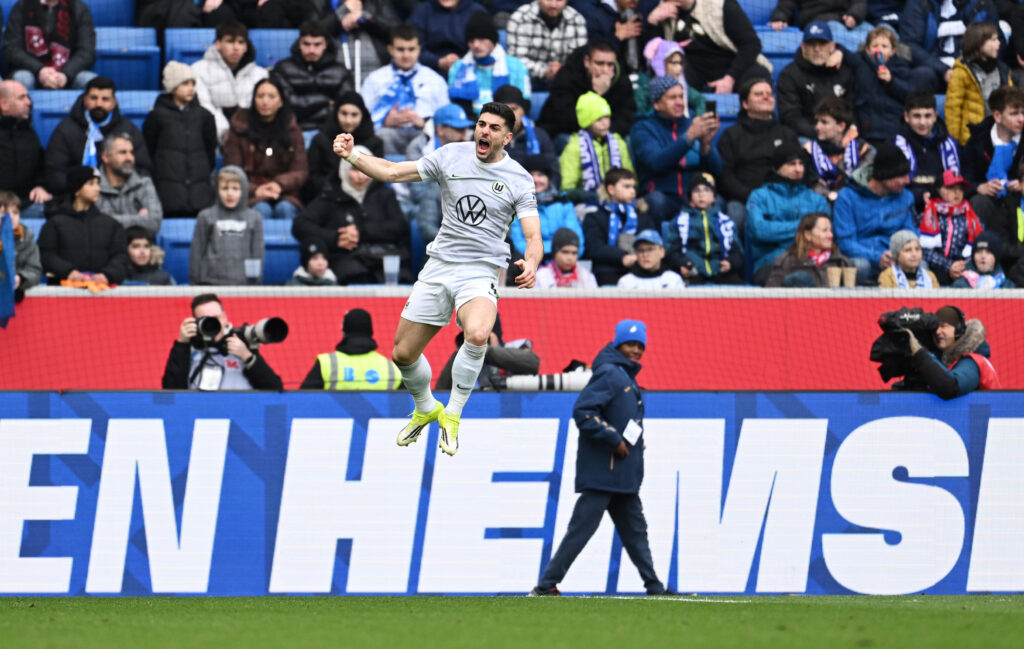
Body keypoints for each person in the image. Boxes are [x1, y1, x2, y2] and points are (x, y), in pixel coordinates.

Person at [331, 101, 543, 456]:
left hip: (481, 270)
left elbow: (533, 237)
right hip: (439, 267)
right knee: (402, 354)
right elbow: (392, 172)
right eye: (481, 124)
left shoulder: (519, 179)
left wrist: (533, 263)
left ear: (507, 138)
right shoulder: (450, 155)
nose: (484, 132)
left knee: (476, 334)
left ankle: (454, 414)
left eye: (493, 128)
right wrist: (354, 156)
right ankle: (427, 407)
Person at [531, 319, 676, 597]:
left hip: (621, 474)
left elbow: (615, 418)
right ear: (618, 344)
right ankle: (546, 584)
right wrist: (614, 439)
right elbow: (584, 412)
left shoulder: (623, 376)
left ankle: (654, 586)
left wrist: (635, 442)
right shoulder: (611, 373)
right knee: (581, 531)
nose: (635, 350)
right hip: (603, 474)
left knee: (636, 533)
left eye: (639, 345)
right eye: (630, 344)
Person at [293, 145, 411, 285]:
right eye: (355, 170)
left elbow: (399, 227)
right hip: (347, 259)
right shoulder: (330, 195)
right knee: (355, 277)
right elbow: (300, 225)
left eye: (365, 170)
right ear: (344, 170)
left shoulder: (384, 194)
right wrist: (336, 237)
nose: (361, 176)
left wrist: (361, 232)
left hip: (385, 256)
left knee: (403, 279)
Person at [629, 75, 720, 223]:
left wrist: (706, 145)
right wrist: (689, 137)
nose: (679, 102)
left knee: (719, 202)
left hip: (694, 197)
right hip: (663, 195)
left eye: (681, 97)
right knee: (655, 201)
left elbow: (717, 171)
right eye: (672, 98)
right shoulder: (643, 128)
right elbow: (656, 163)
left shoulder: (692, 123)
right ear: (657, 104)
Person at [716, 78, 802, 234]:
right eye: (758, 94)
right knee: (735, 215)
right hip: (743, 198)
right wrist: (754, 196)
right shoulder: (731, 135)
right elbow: (725, 177)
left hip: (782, 197)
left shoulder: (786, 134)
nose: (766, 97)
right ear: (745, 104)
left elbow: (798, 169)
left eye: (769, 94)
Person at [44, 76, 153, 196]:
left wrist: (116, 189)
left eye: (105, 99)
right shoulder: (66, 129)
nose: (99, 104)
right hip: (76, 197)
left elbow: (143, 170)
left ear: (114, 103)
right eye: (93, 98)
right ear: (85, 100)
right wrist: (81, 189)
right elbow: (53, 173)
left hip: (118, 196)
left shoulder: (128, 129)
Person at [223, 78, 309, 221]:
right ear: (254, 100)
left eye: (271, 96)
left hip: (285, 192)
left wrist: (279, 185)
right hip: (250, 193)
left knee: (285, 209)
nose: (265, 101)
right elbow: (232, 171)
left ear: (281, 101)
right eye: (260, 96)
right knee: (261, 209)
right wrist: (255, 189)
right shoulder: (239, 128)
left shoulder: (292, 129)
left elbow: (300, 171)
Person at [746, 141, 831, 284]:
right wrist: (805, 227)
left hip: (811, 263)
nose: (798, 169)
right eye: (791, 164)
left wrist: (778, 231)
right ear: (778, 167)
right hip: (770, 264)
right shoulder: (759, 197)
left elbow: (824, 235)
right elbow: (760, 231)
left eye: (801, 164)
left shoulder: (817, 200)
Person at [360, 24, 450, 158]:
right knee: (380, 137)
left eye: (411, 49)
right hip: (386, 135)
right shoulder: (375, 79)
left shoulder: (435, 79)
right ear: (390, 49)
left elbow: (446, 119)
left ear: (419, 49)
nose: (406, 55)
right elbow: (361, 120)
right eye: (400, 49)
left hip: (423, 136)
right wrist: (383, 121)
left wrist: (424, 124)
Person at [162, 293, 283, 390]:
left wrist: (247, 357)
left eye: (217, 318)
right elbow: (170, 391)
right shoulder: (189, 350)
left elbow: (275, 388)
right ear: (197, 322)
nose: (214, 324)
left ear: (225, 317)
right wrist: (182, 343)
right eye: (207, 320)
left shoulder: (241, 345)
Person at [143, 62, 218, 219]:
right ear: (172, 86)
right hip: (168, 197)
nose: (191, 88)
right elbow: (149, 152)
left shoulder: (205, 117)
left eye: (193, 83)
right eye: (185, 83)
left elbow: (210, 153)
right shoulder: (156, 117)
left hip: (200, 198)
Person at [645, 0, 773, 93]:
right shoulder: (661, 10)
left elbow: (752, 44)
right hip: (691, 72)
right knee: (667, 80)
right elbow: (654, 55)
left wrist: (730, 78)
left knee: (757, 78)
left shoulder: (721, 5)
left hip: (732, 67)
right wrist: (652, 21)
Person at [833, 142, 917, 283]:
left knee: (921, 265)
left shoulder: (906, 197)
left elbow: (910, 234)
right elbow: (846, 242)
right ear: (886, 175)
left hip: (896, 257)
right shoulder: (847, 197)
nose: (907, 181)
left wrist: (901, 254)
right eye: (902, 176)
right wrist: (876, 257)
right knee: (860, 266)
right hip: (863, 257)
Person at [38, 165, 128, 286]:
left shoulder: (112, 225)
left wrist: (107, 275)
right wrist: (68, 272)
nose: (97, 189)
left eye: (98, 184)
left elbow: (121, 257)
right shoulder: (54, 223)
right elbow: (46, 256)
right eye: (91, 184)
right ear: (77, 190)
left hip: (101, 293)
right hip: (63, 292)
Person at [398, 104, 474, 243]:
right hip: (421, 204)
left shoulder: (465, 147)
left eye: (465, 128)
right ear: (440, 130)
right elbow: (418, 193)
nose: (464, 133)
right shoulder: (418, 148)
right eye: (458, 129)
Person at [776, 22, 859, 140]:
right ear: (803, 47)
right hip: (807, 136)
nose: (817, 49)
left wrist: (850, 129)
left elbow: (853, 109)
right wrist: (821, 134)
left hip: (840, 133)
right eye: (811, 44)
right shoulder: (789, 74)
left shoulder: (845, 73)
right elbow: (791, 117)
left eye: (822, 43)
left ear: (832, 46)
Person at [538, 41, 637, 139]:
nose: (605, 70)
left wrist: (606, 132)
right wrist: (596, 94)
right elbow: (565, 119)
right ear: (587, 61)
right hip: (564, 133)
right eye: (599, 63)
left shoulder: (621, 81)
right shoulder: (567, 76)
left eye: (610, 64)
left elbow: (626, 116)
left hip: (606, 133)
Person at [191, 21, 269, 143]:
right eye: (230, 41)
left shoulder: (260, 74)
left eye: (241, 42)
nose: (236, 47)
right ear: (217, 44)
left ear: (246, 47)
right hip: (211, 136)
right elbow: (205, 107)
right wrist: (225, 133)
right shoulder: (198, 70)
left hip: (251, 136)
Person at [902, 304, 1000, 399]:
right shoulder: (942, 359)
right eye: (935, 328)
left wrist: (920, 352)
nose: (937, 332)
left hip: (980, 415)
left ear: (958, 330)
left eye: (943, 326)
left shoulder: (973, 362)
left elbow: (950, 387)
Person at [272, 20, 354, 133]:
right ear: (299, 43)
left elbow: (347, 106)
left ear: (325, 44)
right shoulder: (283, 69)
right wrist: (325, 100)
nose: (311, 50)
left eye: (317, 44)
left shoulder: (340, 71)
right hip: (291, 130)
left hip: (330, 131)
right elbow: (283, 103)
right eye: (306, 44)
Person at [664, 173, 743, 285]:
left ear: (714, 197)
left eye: (706, 190)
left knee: (739, 290)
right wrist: (682, 264)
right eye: (696, 190)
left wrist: (731, 263)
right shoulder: (680, 221)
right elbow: (672, 251)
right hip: (693, 270)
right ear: (690, 196)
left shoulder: (726, 222)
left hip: (720, 269)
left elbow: (737, 251)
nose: (701, 194)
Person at [305, 91, 383, 203]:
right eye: (344, 113)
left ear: (363, 115)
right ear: (336, 113)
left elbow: (378, 177)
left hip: (365, 199)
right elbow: (313, 176)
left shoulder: (374, 143)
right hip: (328, 198)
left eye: (354, 115)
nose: (348, 120)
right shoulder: (320, 140)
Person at [582, 167, 657, 286]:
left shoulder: (643, 216)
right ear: (611, 189)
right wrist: (622, 257)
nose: (632, 191)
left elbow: (653, 243)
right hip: (607, 272)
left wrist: (637, 258)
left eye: (633, 187)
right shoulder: (595, 216)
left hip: (639, 271)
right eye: (627, 186)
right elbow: (595, 248)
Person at [190, 166, 264, 285]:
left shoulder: (255, 218)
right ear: (217, 190)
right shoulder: (205, 216)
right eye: (224, 188)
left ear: (244, 190)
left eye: (235, 188)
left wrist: (254, 282)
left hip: (243, 285)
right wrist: (195, 281)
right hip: (210, 282)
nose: (230, 193)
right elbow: (197, 252)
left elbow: (257, 253)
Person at [448, 12, 531, 117]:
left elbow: (524, 104)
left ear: (493, 39)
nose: (476, 45)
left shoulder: (516, 66)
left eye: (481, 39)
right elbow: (456, 105)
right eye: (471, 41)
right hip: (469, 125)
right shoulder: (458, 67)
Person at [3, 0, 97, 90]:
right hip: (31, 70)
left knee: (90, 81)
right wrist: (40, 70)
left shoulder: (78, 8)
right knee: (22, 79)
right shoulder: (22, 6)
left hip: (69, 73)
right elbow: (12, 49)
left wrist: (65, 74)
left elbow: (86, 51)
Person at [894, 90, 962, 212]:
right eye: (916, 116)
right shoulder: (895, 144)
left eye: (927, 116)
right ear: (906, 117)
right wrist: (920, 195)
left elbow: (959, 181)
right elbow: (894, 185)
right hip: (908, 205)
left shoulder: (949, 143)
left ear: (935, 116)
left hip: (944, 204)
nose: (922, 122)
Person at [300, 308, 401, 390]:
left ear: (344, 332)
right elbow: (407, 405)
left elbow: (303, 400)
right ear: (370, 332)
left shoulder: (327, 364)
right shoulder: (391, 368)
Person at [435, 313, 541, 390]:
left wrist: (487, 351)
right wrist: (458, 355)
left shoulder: (515, 348)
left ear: (496, 335)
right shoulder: (465, 360)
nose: (478, 340)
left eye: (484, 336)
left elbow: (533, 363)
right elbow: (441, 390)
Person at [560, 92, 633, 203]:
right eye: (599, 120)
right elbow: (567, 187)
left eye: (607, 118)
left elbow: (629, 174)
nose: (605, 123)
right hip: (588, 203)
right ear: (587, 122)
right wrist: (589, 196)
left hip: (620, 199)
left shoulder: (618, 142)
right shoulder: (574, 146)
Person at [945, 21, 1010, 146]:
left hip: (1000, 138)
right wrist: (955, 143)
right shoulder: (962, 71)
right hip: (972, 140)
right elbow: (953, 110)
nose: (999, 43)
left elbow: (1011, 102)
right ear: (979, 43)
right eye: (993, 39)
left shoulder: (1002, 69)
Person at [850, 26, 916, 144]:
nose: (879, 50)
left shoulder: (902, 69)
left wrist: (891, 81)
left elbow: (910, 96)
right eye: (875, 46)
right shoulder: (859, 66)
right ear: (867, 50)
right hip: (867, 131)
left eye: (884, 46)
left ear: (893, 51)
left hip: (894, 131)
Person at [315, 0, 399, 88]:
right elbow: (312, 34)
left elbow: (398, 33)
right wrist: (341, 13)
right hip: (337, 79)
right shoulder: (324, 4)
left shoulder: (377, 3)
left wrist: (364, 18)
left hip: (375, 78)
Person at [919, 169, 983, 285]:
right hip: (934, 269)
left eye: (960, 188)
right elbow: (922, 249)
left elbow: (979, 247)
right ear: (938, 190)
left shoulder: (973, 218)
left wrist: (962, 266)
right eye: (950, 188)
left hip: (963, 271)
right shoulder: (926, 216)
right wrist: (949, 266)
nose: (957, 193)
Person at [506, 0, 589, 89]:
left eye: (559, 0)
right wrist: (544, 71)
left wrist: (562, 70)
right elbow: (516, 60)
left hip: (566, 79)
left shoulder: (577, 19)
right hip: (528, 78)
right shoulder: (520, 18)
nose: (553, 4)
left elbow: (580, 60)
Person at [509, 155, 581, 258]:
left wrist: (554, 254)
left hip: (563, 262)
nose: (535, 179)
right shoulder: (518, 204)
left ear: (548, 179)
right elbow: (517, 242)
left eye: (540, 175)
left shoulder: (564, 204)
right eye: (531, 175)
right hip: (531, 263)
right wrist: (546, 253)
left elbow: (575, 239)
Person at [807, 97, 875, 202]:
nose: (817, 127)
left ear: (841, 126)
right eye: (817, 121)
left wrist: (837, 194)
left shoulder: (863, 150)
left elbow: (861, 184)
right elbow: (811, 185)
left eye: (824, 122)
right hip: (821, 204)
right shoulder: (810, 151)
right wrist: (828, 194)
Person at [0, 80, 50, 220]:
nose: (29, 102)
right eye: (22, 98)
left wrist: (41, 186)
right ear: (4, 104)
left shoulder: (30, 134)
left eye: (27, 97)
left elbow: (42, 168)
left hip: (25, 204)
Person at [96, 134, 164, 236]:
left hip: (141, 249)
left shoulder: (144, 184)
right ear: (105, 157)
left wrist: (110, 219)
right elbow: (96, 227)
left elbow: (154, 223)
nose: (129, 158)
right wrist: (139, 219)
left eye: (131, 152)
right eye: (122, 152)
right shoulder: (93, 186)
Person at [494, 84, 559, 186]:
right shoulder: (485, 139)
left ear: (523, 111)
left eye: (514, 109)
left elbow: (554, 174)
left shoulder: (540, 136)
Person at [765, 212, 852, 287]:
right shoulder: (787, 261)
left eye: (831, 231)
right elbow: (771, 295)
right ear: (808, 235)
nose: (830, 235)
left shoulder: (841, 262)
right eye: (825, 231)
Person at [409, 0, 487, 74]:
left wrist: (461, 61)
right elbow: (412, 46)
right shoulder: (422, 12)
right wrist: (438, 61)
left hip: (471, 68)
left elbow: (485, 47)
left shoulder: (476, 12)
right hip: (428, 70)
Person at [633, 37, 706, 117]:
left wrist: (698, 118)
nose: (679, 68)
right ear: (661, 62)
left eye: (681, 63)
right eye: (674, 63)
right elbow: (641, 115)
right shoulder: (644, 86)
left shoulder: (680, 85)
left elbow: (700, 100)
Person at [768, 0, 873, 53]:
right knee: (838, 30)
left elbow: (860, 2)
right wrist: (779, 18)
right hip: (817, 20)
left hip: (846, 18)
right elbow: (787, 3)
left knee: (874, 33)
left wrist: (854, 15)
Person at [0, 190, 42, 301]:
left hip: (13, 299)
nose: (11, 217)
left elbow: (35, 271)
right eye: (4, 213)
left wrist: (20, 279)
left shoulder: (27, 238)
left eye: (15, 212)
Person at [616, 229, 685, 289]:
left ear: (662, 252)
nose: (645, 255)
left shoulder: (673, 280)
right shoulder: (625, 282)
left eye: (650, 249)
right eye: (640, 250)